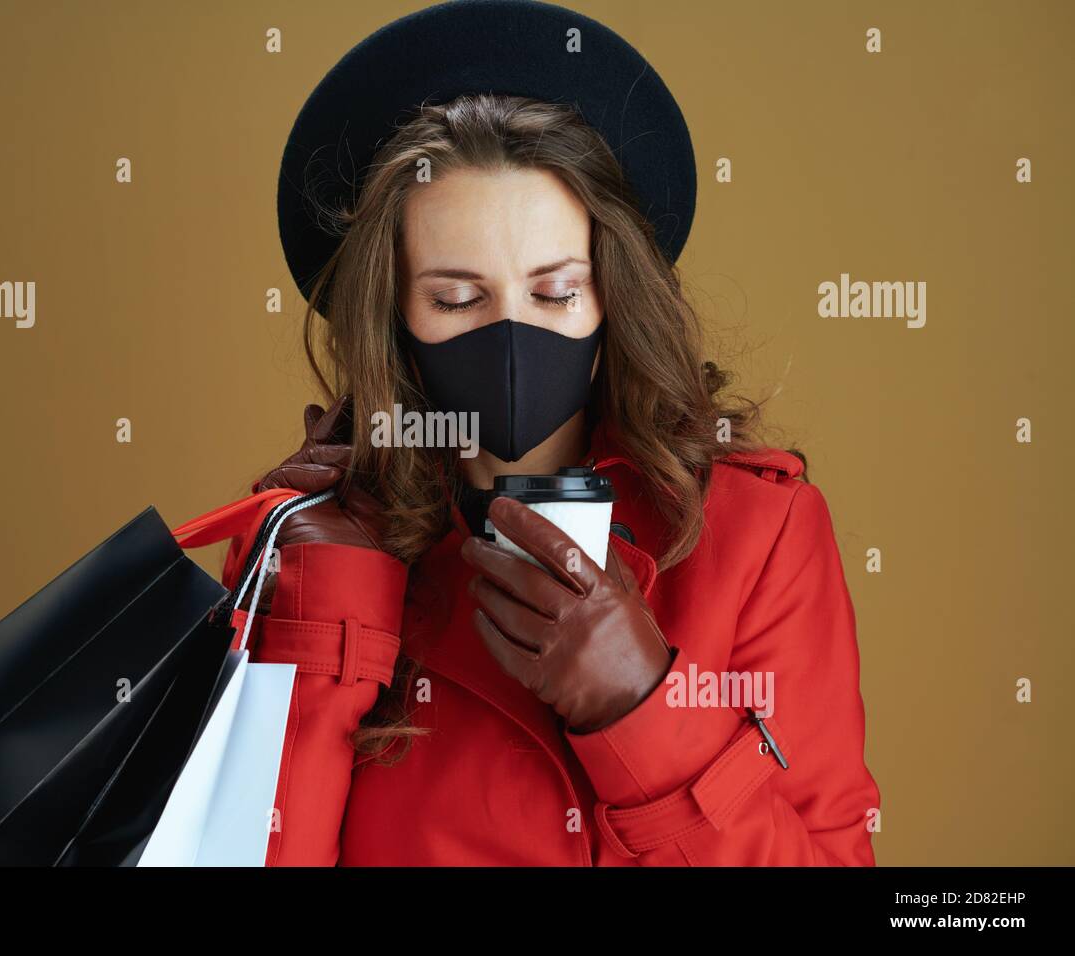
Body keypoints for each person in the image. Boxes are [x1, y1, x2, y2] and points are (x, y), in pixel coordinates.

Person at [227, 0, 879, 866]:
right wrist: (324, 607)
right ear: (393, 312)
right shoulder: (302, 539)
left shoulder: (761, 535)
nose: (510, 338)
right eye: (457, 299)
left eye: (555, 291)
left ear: (609, 289)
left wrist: (644, 712)